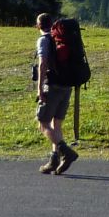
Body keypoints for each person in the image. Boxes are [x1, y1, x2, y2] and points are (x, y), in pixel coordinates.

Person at [34, 11, 79, 175]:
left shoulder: (44, 40)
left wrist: (40, 88)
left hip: (51, 85)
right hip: (66, 85)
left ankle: (66, 152)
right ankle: (54, 160)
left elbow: (42, 64)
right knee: (56, 124)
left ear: (38, 25)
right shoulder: (61, 38)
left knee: (43, 124)